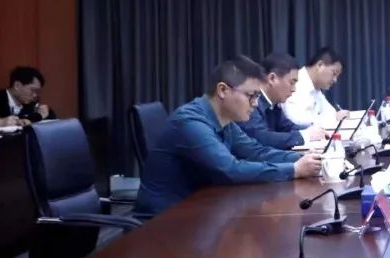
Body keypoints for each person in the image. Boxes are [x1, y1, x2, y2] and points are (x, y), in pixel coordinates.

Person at [135, 56, 322, 217]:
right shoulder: (191, 123)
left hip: (197, 208)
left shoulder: (225, 121)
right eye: (251, 95)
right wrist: (293, 170)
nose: (256, 104)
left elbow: (255, 151)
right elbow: (230, 169)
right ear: (223, 90)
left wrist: (303, 159)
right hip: (164, 221)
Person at [239, 53, 327, 149]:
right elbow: (261, 137)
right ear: (272, 78)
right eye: (291, 83)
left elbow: (287, 127)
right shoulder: (252, 102)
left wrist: (314, 131)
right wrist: (304, 136)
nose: (294, 89)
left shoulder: (274, 104)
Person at [284, 47, 350, 129]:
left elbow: (331, 112)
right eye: (334, 73)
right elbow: (298, 121)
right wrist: (332, 118)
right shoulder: (296, 83)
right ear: (320, 65)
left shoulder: (316, 88)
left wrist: (334, 117)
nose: (335, 80)